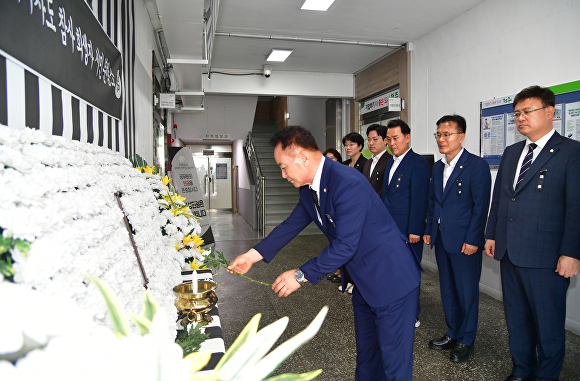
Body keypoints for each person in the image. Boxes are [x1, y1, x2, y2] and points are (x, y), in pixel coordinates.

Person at [228, 126, 422, 381]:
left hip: (391, 280)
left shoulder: (347, 182)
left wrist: (299, 275)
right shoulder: (309, 188)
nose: (283, 174)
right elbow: (291, 224)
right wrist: (252, 255)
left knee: (394, 365)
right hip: (364, 283)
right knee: (367, 359)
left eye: (284, 167)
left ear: (304, 158)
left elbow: (345, 245)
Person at [484, 86, 580, 381]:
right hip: (510, 251)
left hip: (546, 255)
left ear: (550, 112)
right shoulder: (513, 152)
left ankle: (547, 375)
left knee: (548, 324)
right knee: (517, 319)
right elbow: (500, 198)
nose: (520, 118)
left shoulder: (571, 152)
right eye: (517, 114)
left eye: (527, 112)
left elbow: (576, 206)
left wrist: (572, 252)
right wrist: (491, 234)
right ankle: (522, 368)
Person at [423, 114, 491, 363]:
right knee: (448, 289)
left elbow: (480, 206)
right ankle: (453, 332)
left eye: (447, 134)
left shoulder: (477, 165)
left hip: (465, 241)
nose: (441, 139)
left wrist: (474, 239)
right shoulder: (439, 166)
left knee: (466, 292)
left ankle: (467, 339)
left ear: (461, 137)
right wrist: (430, 229)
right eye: (438, 134)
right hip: (442, 238)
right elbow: (433, 201)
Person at [381, 119, 430, 328]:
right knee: (392, 272)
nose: (392, 143)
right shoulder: (391, 162)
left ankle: (412, 314)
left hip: (409, 231)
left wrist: (415, 230)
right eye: (389, 139)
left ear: (407, 137)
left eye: (396, 138)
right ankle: (395, 309)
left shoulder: (418, 163)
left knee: (409, 273)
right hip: (390, 229)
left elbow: (420, 199)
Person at [362, 124, 392, 197]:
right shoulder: (367, 163)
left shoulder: (390, 161)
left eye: (375, 139)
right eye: (369, 139)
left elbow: (387, 188)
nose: (371, 143)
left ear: (385, 141)